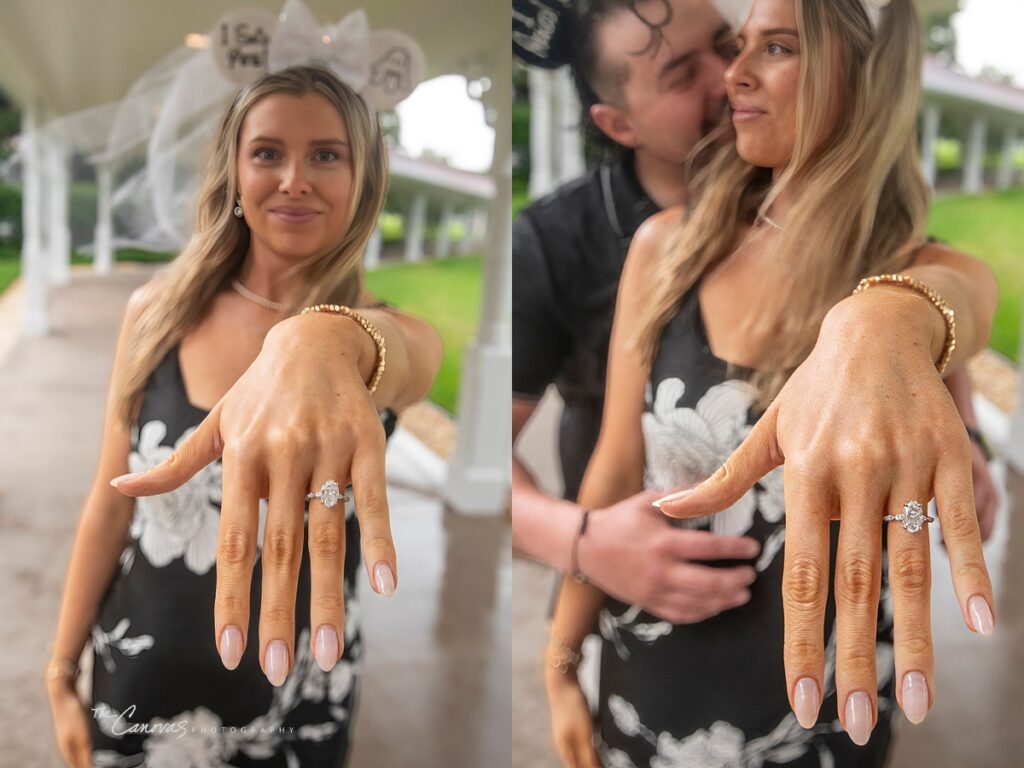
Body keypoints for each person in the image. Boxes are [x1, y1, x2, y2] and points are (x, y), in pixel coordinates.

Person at [543, 0, 998, 766]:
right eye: (740, 46)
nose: (735, 75)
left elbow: (968, 297)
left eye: (778, 48)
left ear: (864, 78)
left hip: (829, 703)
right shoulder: (667, 248)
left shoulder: (919, 274)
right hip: (652, 679)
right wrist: (561, 654)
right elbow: (615, 467)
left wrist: (887, 315)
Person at [45, 65, 442, 767]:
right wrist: (59, 667)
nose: (294, 179)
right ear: (233, 172)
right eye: (267, 152)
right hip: (139, 668)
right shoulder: (156, 312)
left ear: (364, 180)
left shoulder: (376, 339)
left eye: (326, 155)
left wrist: (323, 336)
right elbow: (109, 504)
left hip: (296, 689)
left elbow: (414, 357)